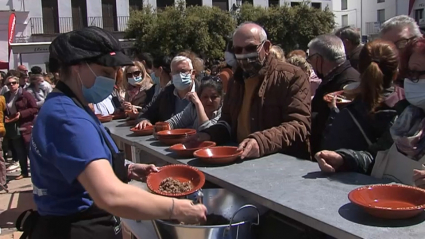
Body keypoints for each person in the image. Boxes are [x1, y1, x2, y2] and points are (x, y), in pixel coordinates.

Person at [23, 26, 206, 238]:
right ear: (77, 67)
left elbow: (81, 162)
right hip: (78, 228)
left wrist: (128, 169)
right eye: (105, 73)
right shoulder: (68, 118)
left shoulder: (71, 105)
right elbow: (109, 195)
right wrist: (178, 208)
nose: (112, 80)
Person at [187, 22, 311, 160]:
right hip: (241, 160)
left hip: (282, 163)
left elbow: (299, 125)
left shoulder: (292, 76)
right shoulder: (236, 81)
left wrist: (261, 142)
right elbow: (227, 122)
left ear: (266, 47)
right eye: (238, 50)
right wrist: (209, 134)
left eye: (250, 48)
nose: (244, 54)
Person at [315, 38, 425, 187]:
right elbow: (375, 158)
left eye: (420, 73)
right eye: (411, 73)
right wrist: (343, 159)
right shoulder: (408, 115)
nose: (414, 80)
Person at [320, 40, 399, 152]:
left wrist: (334, 115)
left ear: (359, 68)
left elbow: (330, 151)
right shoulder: (410, 112)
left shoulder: (349, 114)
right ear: (396, 73)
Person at [308, 34, 360, 156]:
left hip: (338, 158)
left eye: (310, 59)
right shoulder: (337, 78)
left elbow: (342, 126)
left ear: (318, 59)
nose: (310, 63)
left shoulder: (349, 84)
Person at [135, 55, 198, 129]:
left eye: (183, 71)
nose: (180, 75)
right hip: (170, 138)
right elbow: (146, 112)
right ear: (171, 75)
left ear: (193, 73)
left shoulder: (202, 92)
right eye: (176, 72)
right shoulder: (166, 92)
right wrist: (144, 120)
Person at [4, 76, 38, 180]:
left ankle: (36, 172)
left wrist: (21, 114)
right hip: (13, 126)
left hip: (26, 125)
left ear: (18, 83)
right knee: (19, 150)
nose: (11, 85)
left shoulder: (25, 94)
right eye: (9, 84)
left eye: (13, 83)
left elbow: (35, 108)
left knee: (30, 150)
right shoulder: (5, 96)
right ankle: (24, 172)